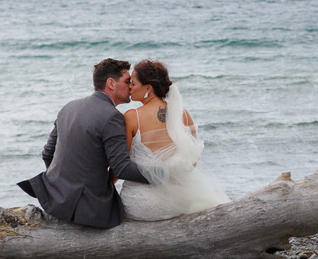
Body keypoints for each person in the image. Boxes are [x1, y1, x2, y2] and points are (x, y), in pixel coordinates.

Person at [17, 58, 150, 229]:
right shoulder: (112, 116)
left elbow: (48, 153)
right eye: (127, 81)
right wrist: (163, 175)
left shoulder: (69, 107)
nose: (130, 86)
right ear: (111, 83)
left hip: (54, 200)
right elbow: (121, 168)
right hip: (88, 210)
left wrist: (62, 185)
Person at [118, 59, 229, 221]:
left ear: (148, 88)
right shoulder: (183, 114)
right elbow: (192, 161)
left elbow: (122, 162)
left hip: (140, 203)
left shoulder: (132, 116)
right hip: (177, 202)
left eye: (133, 84)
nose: (129, 87)